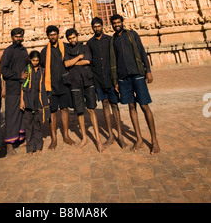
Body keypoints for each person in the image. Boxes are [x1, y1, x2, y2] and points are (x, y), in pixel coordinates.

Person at [110, 14, 161, 154]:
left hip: (137, 75)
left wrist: (148, 71)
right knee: (131, 107)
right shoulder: (113, 40)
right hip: (123, 78)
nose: (116, 25)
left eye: (118, 22)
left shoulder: (132, 35)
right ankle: (139, 139)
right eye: (114, 23)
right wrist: (115, 81)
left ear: (122, 22)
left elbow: (142, 52)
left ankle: (154, 140)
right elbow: (113, 61)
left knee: (144, 106)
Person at [87, 17, 127, 148]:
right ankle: (110, 135)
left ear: (102, 26)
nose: (97, 28)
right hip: (98, 79)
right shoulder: (90, 43)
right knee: (104, 104)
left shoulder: (110, 40)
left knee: (114, 105)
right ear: (92, 28)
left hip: (111, 78)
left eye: (98, 26)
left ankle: (120, 135)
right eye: (94, 27)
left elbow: (116, 58)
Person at [64, 28, 105, 153]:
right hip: (75, 82)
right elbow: (66, 64)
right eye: (70, 38)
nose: (72, 40)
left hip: (87, 80)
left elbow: (87, 60)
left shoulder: (85, 47)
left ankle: (98, 139)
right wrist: (78, 58)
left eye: (73, 37)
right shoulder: (67, 49)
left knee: (91, 109)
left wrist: (73, 62)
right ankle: (84, 138)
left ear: (77, 36)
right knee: (79, 111)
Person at [40, 25, 75, 150]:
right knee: (53, 111)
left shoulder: (65, 47)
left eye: (54, 34)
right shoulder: (44, 52)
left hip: (64, 83)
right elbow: (40, 68)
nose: (52, 36)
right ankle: (54, 138)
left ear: (58, 35)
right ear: (48, 36)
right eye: (50, 35)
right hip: (51, 86)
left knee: (65, 109)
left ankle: (66, 135)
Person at [0, 27, 29, 156]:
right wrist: (19, 76)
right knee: (11, 116)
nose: (18, 38)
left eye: (20, 36)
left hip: (23, 87)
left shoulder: (24, 51)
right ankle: (9, 145)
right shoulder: (8, 51)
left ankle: (20, 138)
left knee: (22, 114)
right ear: (12, 37)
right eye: (16, 36)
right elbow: (4, 70)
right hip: (12, 87)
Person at [20, 50, 50, 156]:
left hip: (39, 101)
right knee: (28, 126)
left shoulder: (43, 71)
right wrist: (21, 101)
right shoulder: (26, 70)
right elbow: (23, 86)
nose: (35, 62)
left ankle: (38, 146)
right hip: (28, 100)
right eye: (33, 60)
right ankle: (29, 148)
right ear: (30, 60)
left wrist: (47, 98)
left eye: (37, 60)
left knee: (38, 124)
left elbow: (46, 85)